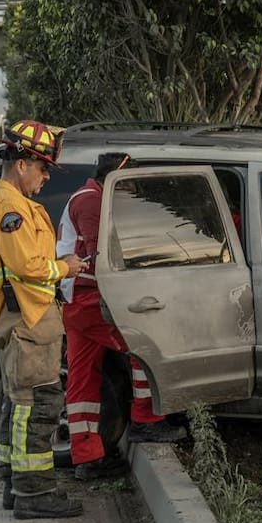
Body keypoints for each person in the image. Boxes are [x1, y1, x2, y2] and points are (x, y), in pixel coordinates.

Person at [0, 119, 89, 519]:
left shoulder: (9, 204)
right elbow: (28, 265)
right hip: (27, 317)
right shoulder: (10, 208)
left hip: (21, 315)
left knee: (17, 403)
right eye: (42, 168)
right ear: (21, 164)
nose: (45, 177)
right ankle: (34, 493)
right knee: (36, 404)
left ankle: (15, 485)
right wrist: (65, 267)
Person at [58, 151, 187, 481]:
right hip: (91, 298)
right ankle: (146, 420)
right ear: (113, 178)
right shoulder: (91, 201)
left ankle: (87, 456)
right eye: (128, 183)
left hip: (78, 299)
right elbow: (102, 254)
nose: (132, 190)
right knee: (144, 346)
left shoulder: (88, 195)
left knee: (82, 379)